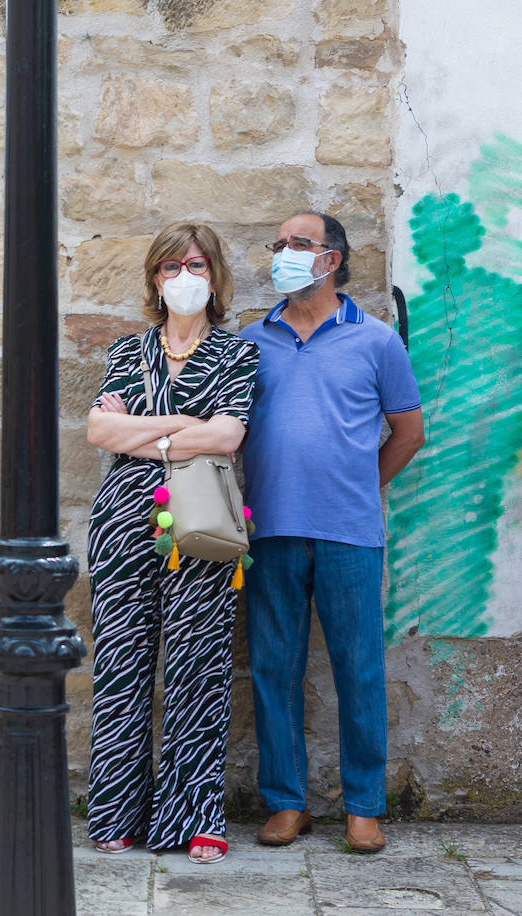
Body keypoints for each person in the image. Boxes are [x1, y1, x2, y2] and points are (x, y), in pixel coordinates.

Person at [241, 211, 424, 854]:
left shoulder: (376, 340)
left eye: (300, 244)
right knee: (272, 668)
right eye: (280, 245)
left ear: (333, 258)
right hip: (269, 530)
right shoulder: (249, 341)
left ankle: (364, 806)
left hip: (350, 531)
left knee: (358, 669)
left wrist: (358, 487)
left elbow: (408, 432)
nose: (285, 254)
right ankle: (287, 803)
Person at [84, 222, 259, 864]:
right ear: (154, 279)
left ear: (214, 276)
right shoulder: (128, 352)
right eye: (170, 267)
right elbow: (100, 430)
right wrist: (184, 425)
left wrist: (145, 436)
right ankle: (115, 811)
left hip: (203, 528)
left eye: (196, 265)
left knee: (198, 672)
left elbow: (227, 437)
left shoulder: (238, 354)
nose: (184, 277)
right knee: (121, 672)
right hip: (123, 529)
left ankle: (196, 817)